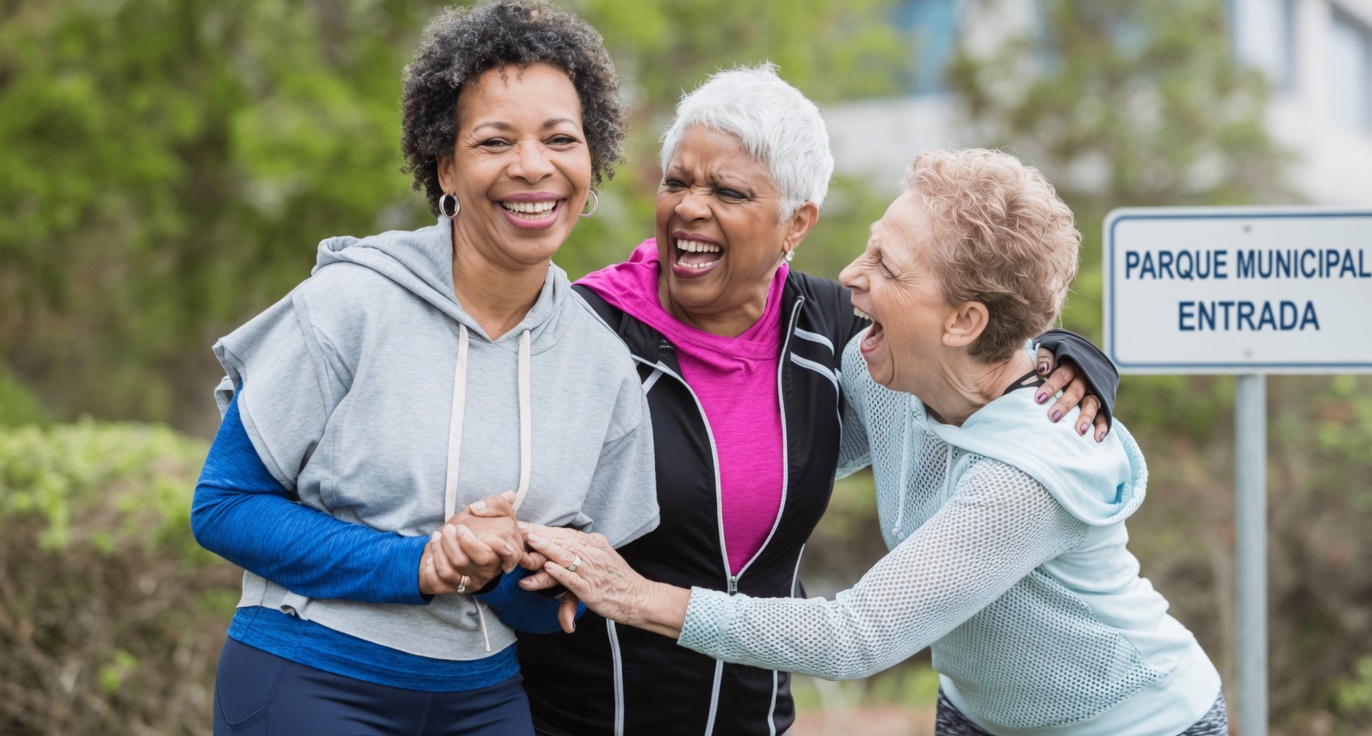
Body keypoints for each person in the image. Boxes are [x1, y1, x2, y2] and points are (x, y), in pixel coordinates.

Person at [519, 148, 1227, 736]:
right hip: (977, 717)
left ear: (963, 321)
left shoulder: (1031, 473)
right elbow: (785, 437)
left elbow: (855, 636)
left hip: (1134, 721)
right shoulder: (887, 369)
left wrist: (635, 596)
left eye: (887, 266)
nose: (850, 277)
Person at [188, 2, 658, 734]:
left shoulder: (602, 366)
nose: (533, 166)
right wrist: (420, 564)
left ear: (590, 161)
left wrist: (499, 564)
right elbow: (223, 506)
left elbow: (558, 607)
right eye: (495, 140)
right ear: (446, 165)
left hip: (485, 696)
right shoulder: (349, 304)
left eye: (560, 139)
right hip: (314, 677)